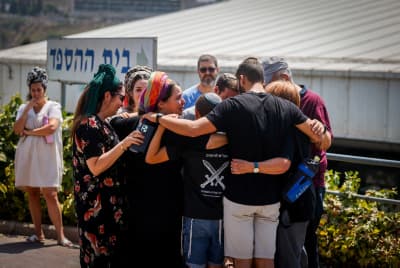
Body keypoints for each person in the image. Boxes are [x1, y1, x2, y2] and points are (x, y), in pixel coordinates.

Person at [143, 61, 331, 268]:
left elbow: (194, 129)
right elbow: (322, 141)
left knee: (242, 262)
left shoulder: (232, 106)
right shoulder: (286, 107)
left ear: (242, 79)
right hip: (271, 199)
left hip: (238, 198)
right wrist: (320, 128)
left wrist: (159, 118)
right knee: (266, 261)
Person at [232, 82, 315, 268]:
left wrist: (251, 167)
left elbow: (283, 164)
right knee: (296, 254)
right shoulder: (301, 126)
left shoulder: (289, 130)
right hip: (301, 200)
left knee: (287, 259)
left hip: (292, 207)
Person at [109, 71, 186, 266]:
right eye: (178, 98)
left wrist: (142, 115)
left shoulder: (133, 122)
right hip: (166, 211)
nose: (183, 101)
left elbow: (113, 122)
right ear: (160, 103)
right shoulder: (178, 128)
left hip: (137, 209)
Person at [262, 56, 333, 268]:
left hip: (306, 184)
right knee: (289, 248)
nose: (266, 89)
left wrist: (317, 131)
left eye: (269, 83)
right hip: (281, 186)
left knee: (306, 242)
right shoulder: (272, 105)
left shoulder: (313, 100)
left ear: (284, 78)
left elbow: (326, 142)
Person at [71, 64, 144, 267]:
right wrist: (125, 143)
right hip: (97, 212)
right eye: (121, 97)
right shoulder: (89, 125)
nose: (123, 102)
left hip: (108, 210)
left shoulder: (101, 123)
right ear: (106, 97)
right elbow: (95, 166)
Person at [146, 92, 228, 268]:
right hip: (222, 217)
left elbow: (151, 157)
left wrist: (161, 125)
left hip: (195, 217)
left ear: (197, 115)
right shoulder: (231, 140)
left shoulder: (188, 140)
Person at [13, 66, 74, 248]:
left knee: (50, 193)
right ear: (29, 90)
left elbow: (52, 127)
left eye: (39, 89)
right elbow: (17, 130)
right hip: (28, 155)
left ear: (45, 89)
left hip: (47, 156)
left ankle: (60, 236)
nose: (36, 93)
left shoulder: (53, 106)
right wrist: (27, 109)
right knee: (32, 192)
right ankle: (38, 234)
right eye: (33, 90)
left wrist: (30, 133)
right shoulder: (24, 107)